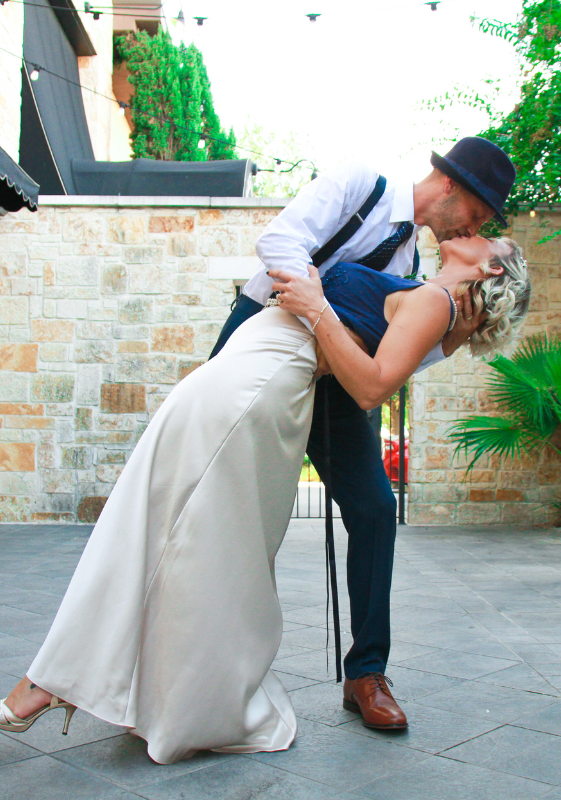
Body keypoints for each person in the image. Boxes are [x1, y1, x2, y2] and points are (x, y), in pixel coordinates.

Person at [0, 233, 530, 765]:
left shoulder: (438, 301)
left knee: (179, 547)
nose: (480, 234)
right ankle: (114, 688)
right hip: (236, 381)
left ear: (493, 268)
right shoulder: (426, 291)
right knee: (174, 543)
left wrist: (318, 310)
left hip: (253, 389)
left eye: (492, 240)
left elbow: (370, 387)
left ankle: (59, 683)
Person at [208, 136, 517, 729]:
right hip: (262, 337)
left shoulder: (416, 269)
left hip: (339, 379)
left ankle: (366, 674)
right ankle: (210, 659)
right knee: (211, 493)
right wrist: (316, 306)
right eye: (476, 215)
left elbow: (392, 353)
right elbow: (279, 241)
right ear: (451, 185)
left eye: (480, 226)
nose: (469, 228)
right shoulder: (359, 186)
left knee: (375, 509)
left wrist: (371, 344)